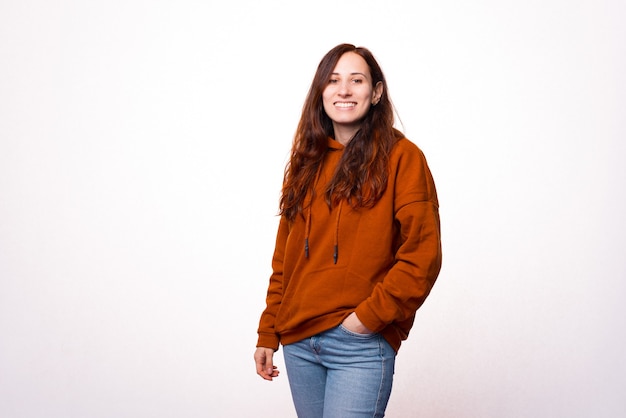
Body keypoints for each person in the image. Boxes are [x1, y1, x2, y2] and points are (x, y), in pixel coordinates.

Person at [254, 43, 442, 418]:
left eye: (356, 80)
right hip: (299, 341)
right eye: (333, 80)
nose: (343, 90)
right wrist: (268, 330)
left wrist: (367, 320)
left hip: (358, 344)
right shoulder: (306, 162)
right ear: (321, 92)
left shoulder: (404, 158)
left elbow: (422, 254)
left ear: (375, 93)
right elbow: (285, 260)